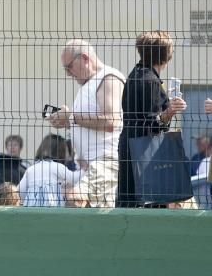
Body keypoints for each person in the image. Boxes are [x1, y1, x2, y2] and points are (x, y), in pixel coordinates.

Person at [48, 40, 125, 208]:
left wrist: (72, 117)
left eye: (69, 67)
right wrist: (66, 121)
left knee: (73, 201)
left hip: (103, 165)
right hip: (86, 167)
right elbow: (91, 124)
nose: (68, 73)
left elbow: (111, 121)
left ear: (84, 58)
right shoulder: (88, 84)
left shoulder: (108, 78)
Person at [117, 30, 187, 208]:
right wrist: (169, 112)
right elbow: (151, 125)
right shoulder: (150, 81)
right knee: (149, 210)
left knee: (128, 205)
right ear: (165, 55)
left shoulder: (134, 75)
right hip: (145, 159)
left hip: (129, 150)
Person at [17, 135, 83, 207]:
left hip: (31, 207)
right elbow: (74, 178)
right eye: (67, 150)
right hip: (52, 207)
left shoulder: (31, 169)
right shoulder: (57, 166)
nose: (69, 154)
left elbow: (20, 190)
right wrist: (84, 169)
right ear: (61, 152)